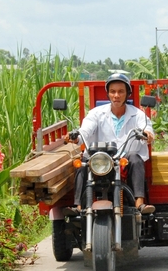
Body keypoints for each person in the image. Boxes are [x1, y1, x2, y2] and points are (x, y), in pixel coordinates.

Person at [64, 73, 156, 214]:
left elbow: (147, 129)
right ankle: (78, 206)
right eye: (112, 92)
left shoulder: (138, 114)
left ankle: (139, 204)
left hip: (125, 159)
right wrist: (76, 137)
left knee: (136, 158)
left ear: (127, 94)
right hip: (100, 158)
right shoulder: (96, 113)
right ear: (108, 94)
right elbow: (86, 130)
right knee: (82, 162)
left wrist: (147, 134)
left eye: (121, 92)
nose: (116, 95)